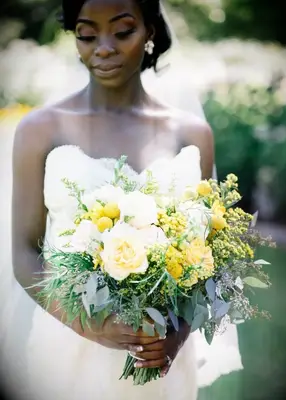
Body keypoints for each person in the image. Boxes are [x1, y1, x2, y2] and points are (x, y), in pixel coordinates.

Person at [7, 1, 216, 399]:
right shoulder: (39, 130)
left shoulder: (194, 134)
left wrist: (176, 336)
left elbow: (204, 257)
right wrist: (88, 324)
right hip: (68, 348)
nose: (103, 48)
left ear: (150, 31)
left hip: (160, 356)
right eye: (87, 35)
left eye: (122, 32)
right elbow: (23, 250)